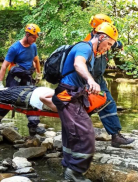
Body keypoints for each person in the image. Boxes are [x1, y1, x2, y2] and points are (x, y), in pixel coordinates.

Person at [52, 22, 118, 182]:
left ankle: (68, 166)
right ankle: (75, 172)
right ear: (101, 37)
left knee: (71, 132)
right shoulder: (85, 48)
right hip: (67, 94)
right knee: (86, 133)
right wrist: (90, 80)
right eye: (108, 43)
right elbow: (78, 64)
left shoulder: (91, 52)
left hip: (68, 94)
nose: (108, 48)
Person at [85, 14, 134, 147]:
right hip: (88, 79)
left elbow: (116, 43)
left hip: (98, 79)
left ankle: (115, 135)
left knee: (109, 103)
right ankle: (80, 136)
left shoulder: (106, 39)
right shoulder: (88, 44)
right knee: (86, 107)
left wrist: (119, 45)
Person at [0, 24, 44, 136]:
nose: (35, 40)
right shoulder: (15, 48)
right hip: (15, 79)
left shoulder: (33, 46)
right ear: (27, 35)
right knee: (8, 100)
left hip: (27, 77)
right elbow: (4, 66)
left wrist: (39, 73)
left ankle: (33, 127)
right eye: (33, 37)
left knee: (33, 100)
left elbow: (36, 60)